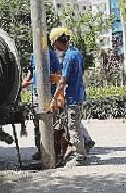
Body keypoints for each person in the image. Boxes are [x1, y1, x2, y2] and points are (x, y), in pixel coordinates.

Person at [49, 27, 95, 166]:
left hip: (73, 97)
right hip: (79, 95)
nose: (55, 48)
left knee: (73, 127)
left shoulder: (69, 56)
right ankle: (86, 144)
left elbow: (63, 80)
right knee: (76, 125)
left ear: (58, 41)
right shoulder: (77, 53)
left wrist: (54, 98)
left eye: (54, 44)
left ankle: (79, 157)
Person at [21, 44, 62, 161]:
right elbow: (31, 69)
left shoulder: (51, 55)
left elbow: (57, 73)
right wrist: (26, 81)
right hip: (36, 94)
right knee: (37, 123)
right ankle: (41, 150)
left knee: (50, 123)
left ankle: (53, 151)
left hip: (48, 94)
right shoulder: (34, 54)